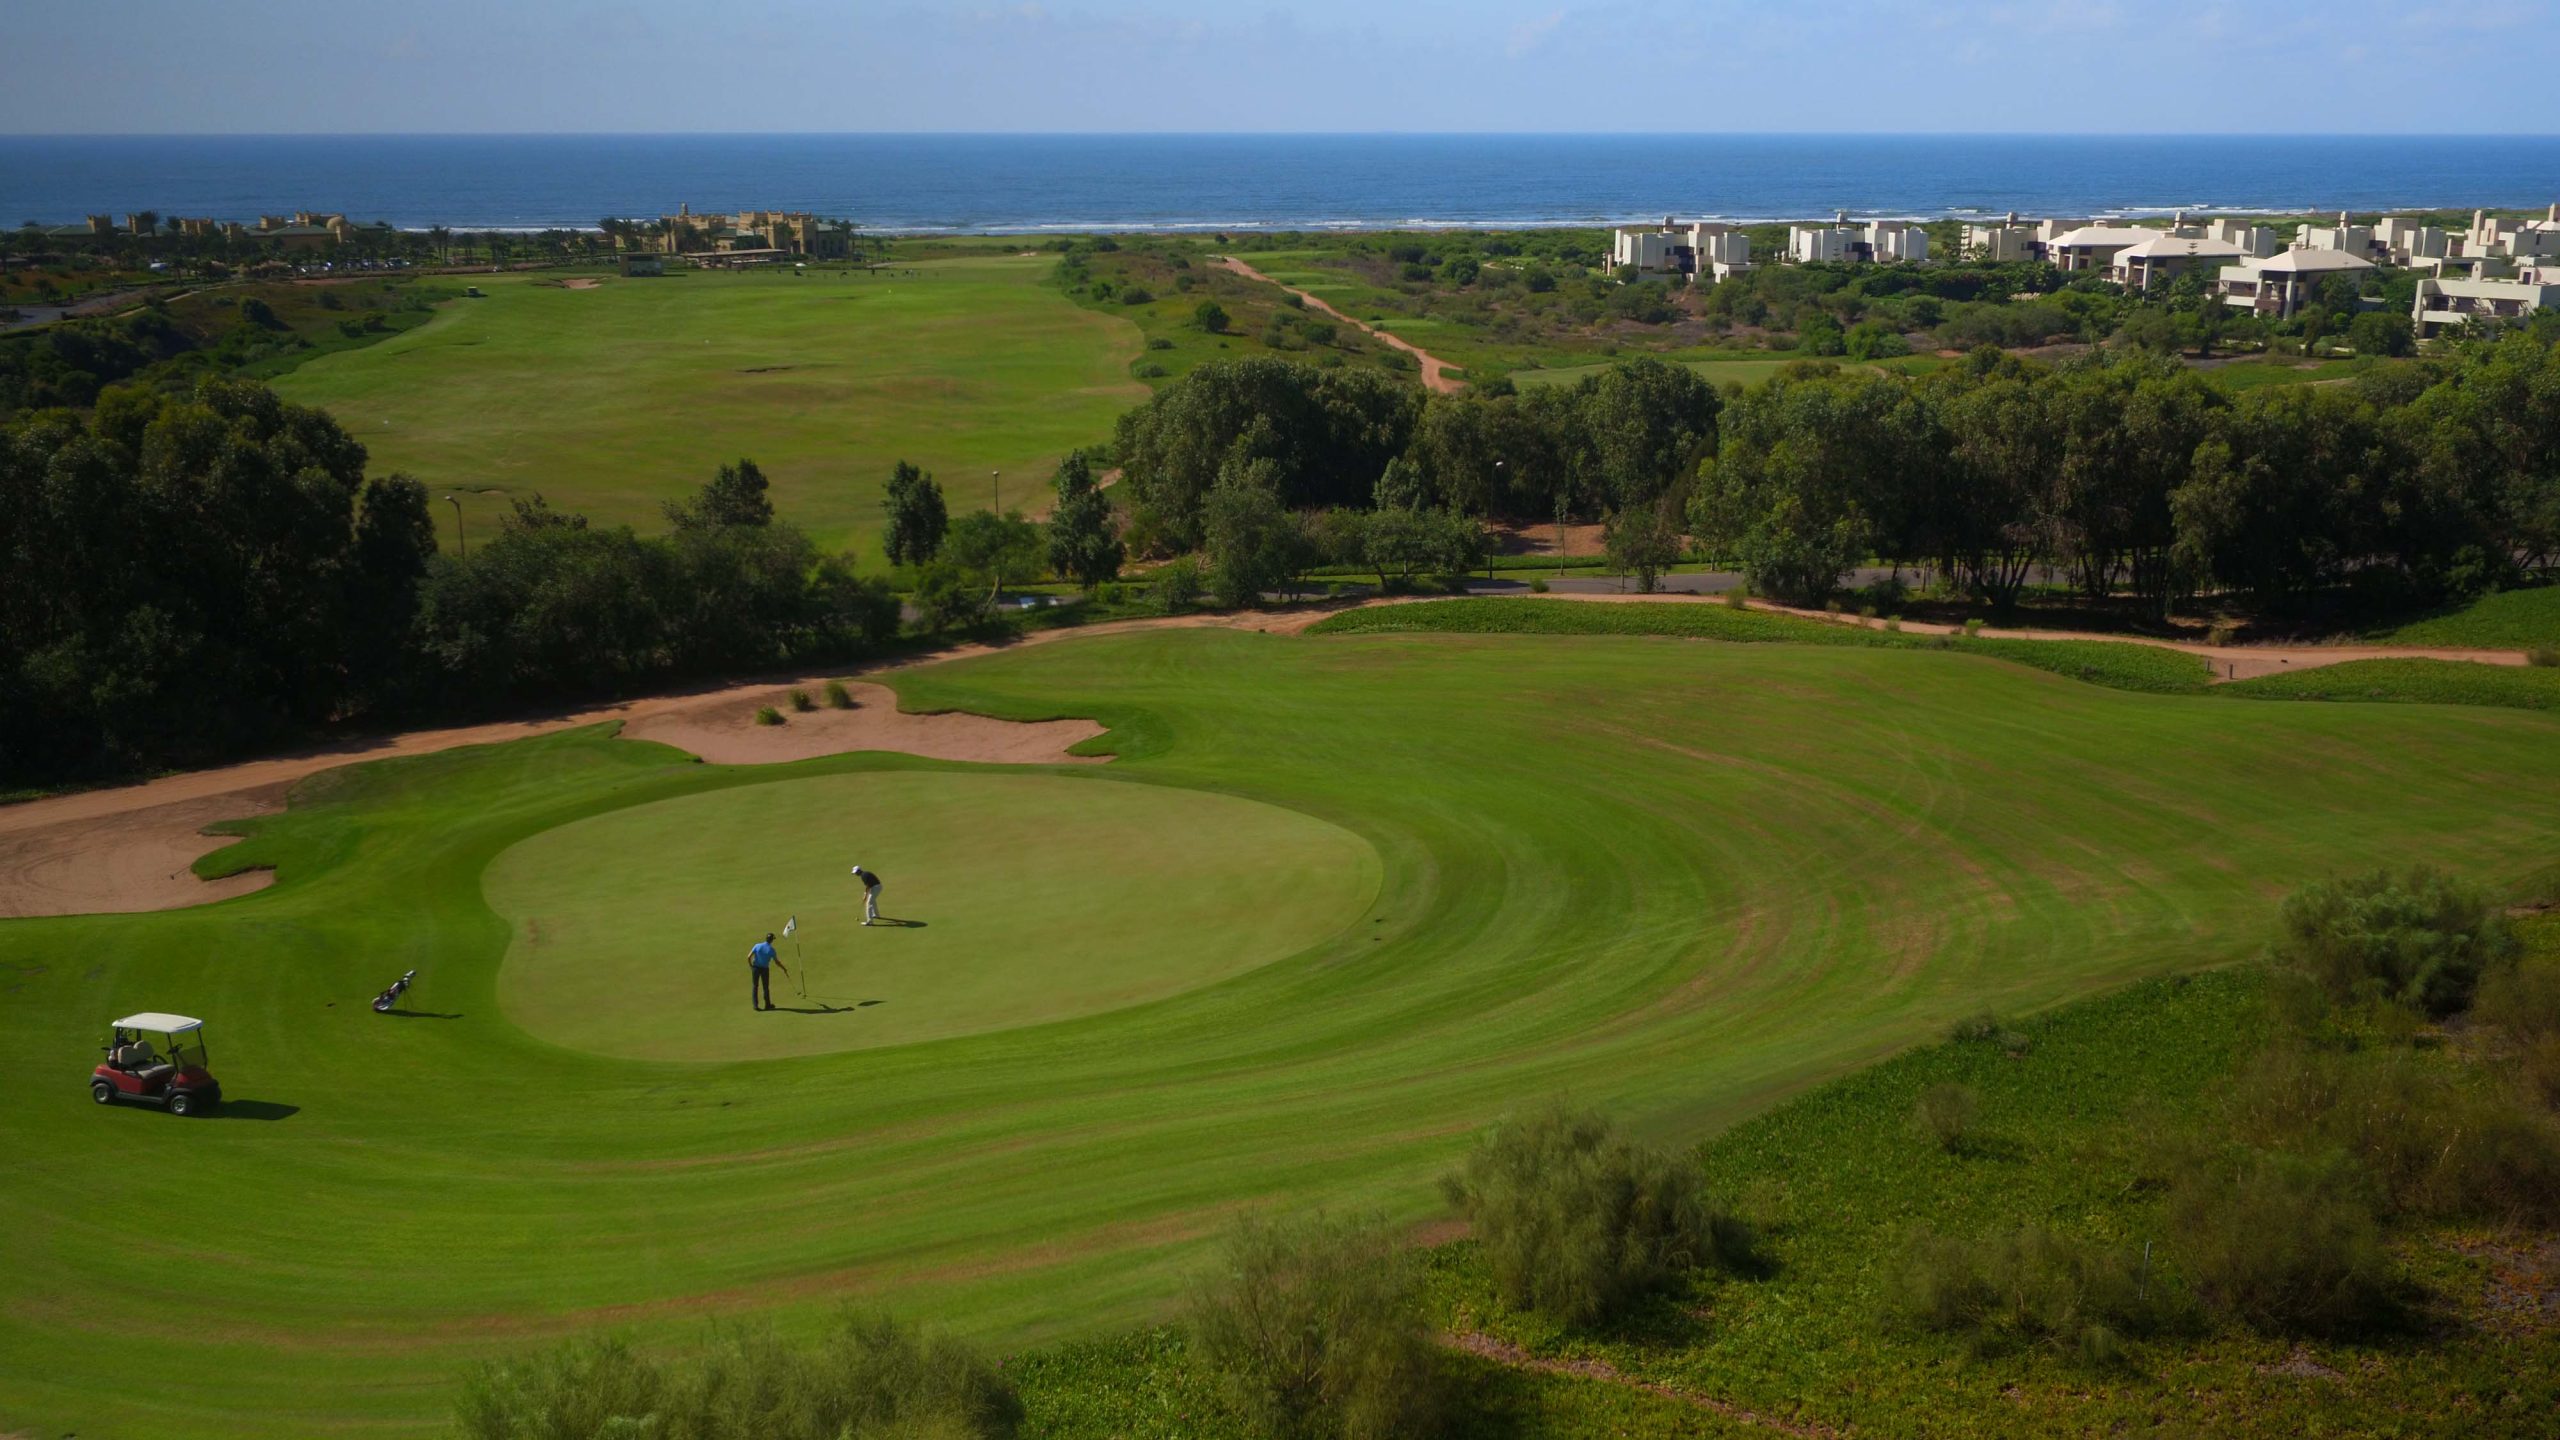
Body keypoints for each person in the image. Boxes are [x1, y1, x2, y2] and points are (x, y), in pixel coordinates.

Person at [748, 932, 788, 1011]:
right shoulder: (771, 950)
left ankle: (755, 1005)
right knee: (765, 987)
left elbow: (748, 957)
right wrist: (784, 968)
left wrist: (751, 967)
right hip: (764, 970)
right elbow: (777, 962)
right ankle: (767, 1005)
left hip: (755, 968)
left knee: (755, 986)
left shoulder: (757, 945)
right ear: (772, 940)